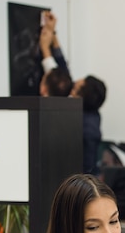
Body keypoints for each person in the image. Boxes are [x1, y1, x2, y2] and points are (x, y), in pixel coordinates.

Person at [39, 11, 107, 175]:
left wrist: (44, 49)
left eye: (77, 84)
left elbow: (57, 81)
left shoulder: (78, 122)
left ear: (77, 95)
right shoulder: (89, 109)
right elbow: (63, 72)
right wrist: (53, 34)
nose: (73, 82)